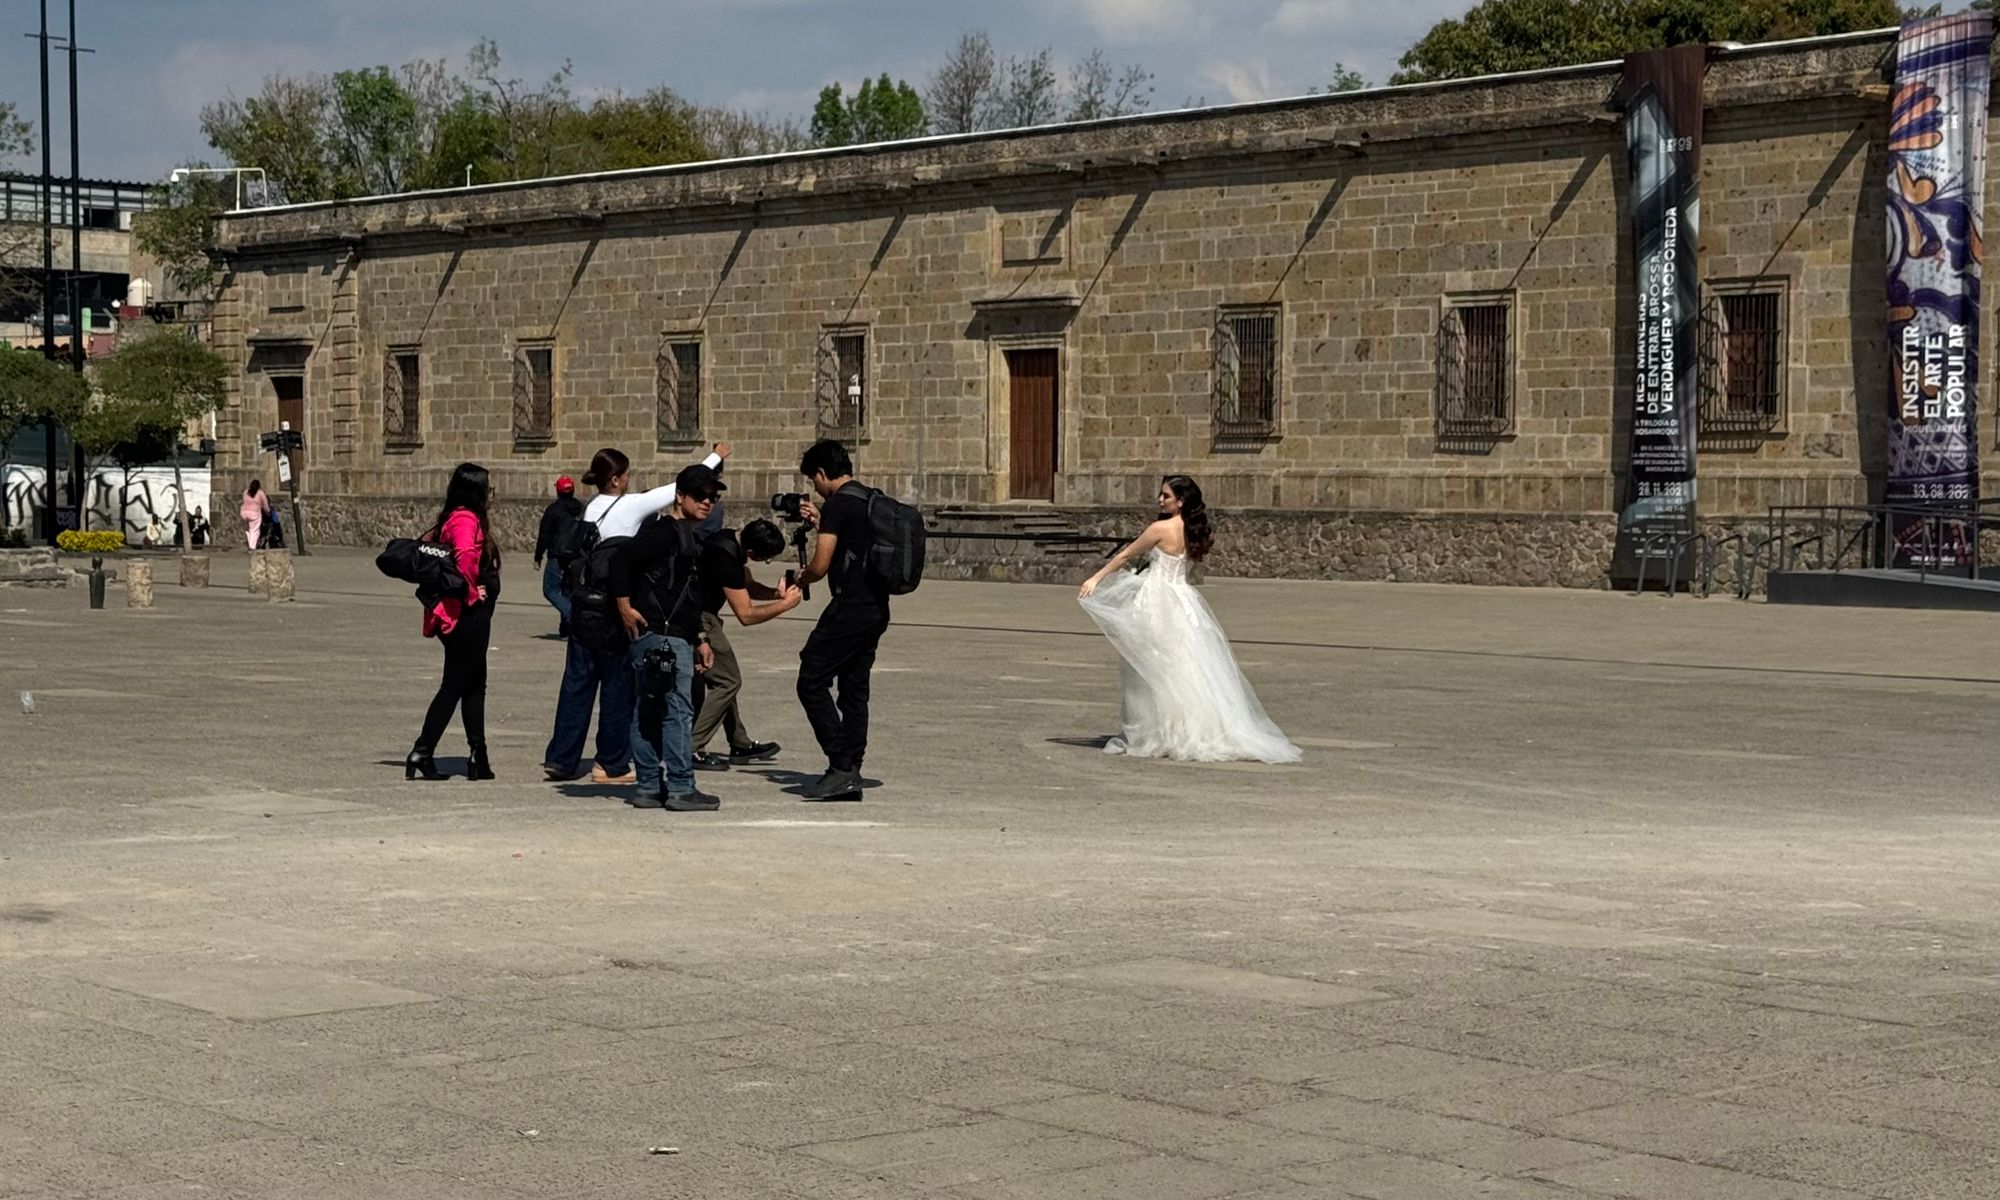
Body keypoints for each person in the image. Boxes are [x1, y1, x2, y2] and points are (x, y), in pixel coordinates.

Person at [1077, 476, 1301, 764]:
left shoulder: (1160, 528)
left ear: (1180, 501)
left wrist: (1096, 578)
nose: (1160, 500)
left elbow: (1126, 555)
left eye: (1166, 496)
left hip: (1158, 599)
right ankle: (1186, 727)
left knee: (1152, 665)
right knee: (1185, 663)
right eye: (1161, 495)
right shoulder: (1192, 529)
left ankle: (1157, 731)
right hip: (1182, 598)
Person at [539, 444, 725, 786]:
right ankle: (610, 764)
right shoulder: (628, 506)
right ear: (615, 479)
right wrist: (715, 457)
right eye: (626, 475)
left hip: (584, 605)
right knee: (617, 686)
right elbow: (675, 489)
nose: (629, 480)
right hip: (612, 606)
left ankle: (561, 758)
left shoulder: (590, 508)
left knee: (577, 684)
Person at [612, 463, 723, 811]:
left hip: (669, 634)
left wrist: (700, 637)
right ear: (680, 497)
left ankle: (648, 786)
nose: (708, 503)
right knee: (676, 711)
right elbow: (620, 559)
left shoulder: (687, 537)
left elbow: (686, 597)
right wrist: (624, 607)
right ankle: (679, 786)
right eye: (701, 496)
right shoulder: (663, 533)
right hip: (660, 636)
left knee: (647, 709)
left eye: (713, 497)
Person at [792, 440, 891, 802]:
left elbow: (820, 565)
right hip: (876, 607)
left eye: (813, 480)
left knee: (811, 678)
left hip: (849, 606)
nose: (815, 488)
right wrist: (823, 521)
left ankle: (841, 764)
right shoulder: (869, 498)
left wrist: (801, 579)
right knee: (854, 688)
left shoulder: (837, 506)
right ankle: (852, 767)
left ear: (821, 473)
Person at [408, 463, 502, 781]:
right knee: (454, 686)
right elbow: (464, 558)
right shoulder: (465, 518)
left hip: (468, 616)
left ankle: (478, 756)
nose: (491, 494)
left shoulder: (453, 517)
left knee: (475, 686)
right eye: (487, 488)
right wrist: (475, 592)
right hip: (467, 617)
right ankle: (422, 751)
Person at [690, 518, 801, 771]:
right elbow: (746, 614)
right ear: (751, 552)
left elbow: (746, 587)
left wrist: (776, 593)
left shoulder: (730, 540)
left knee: (724, 678)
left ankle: (739, 742)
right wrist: (785, 606)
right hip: (700, 620)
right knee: (728, 681)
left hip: (703, 616)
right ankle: (692, 747)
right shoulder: (726, 558)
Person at [534, 475, 583, 636]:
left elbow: (545, 535)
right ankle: (566, 628)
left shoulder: (553, 510)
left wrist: (538, 557)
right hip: (577, 556)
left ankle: (573, 617)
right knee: (567, 591)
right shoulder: (581, 509)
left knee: (551, 590)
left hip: (557, 555)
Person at [239, 481, 270, 551]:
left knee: (248, 529)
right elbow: (265, 504)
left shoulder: (246, 492)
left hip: (244, 513)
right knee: (254, 530)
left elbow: (244, 500)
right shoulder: (260, 493)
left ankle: (249, 542)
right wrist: (267, 511)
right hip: (254, 514)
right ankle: (252, 546)